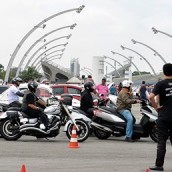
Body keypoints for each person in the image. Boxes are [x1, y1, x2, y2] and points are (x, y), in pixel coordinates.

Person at [149, 63, 172, 171]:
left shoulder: (160, 84)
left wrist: (156, 107)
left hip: (163, 116)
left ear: (164, 72)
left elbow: (151, 97)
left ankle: (159, 165)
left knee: (161, 141)